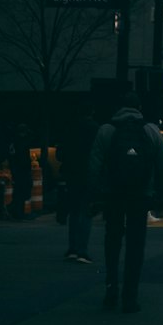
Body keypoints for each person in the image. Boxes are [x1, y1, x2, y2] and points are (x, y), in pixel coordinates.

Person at [89, 92, 163, 312]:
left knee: (112, 241)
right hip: (140, 195)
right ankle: (130, 296)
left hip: (113, 193)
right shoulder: (150, 130)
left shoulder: (106, 130)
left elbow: (95, 165)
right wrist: (161, 195)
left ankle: (111, 288)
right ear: (139, 107)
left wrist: (95, 194)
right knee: (136, 245)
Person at [58, 110, 99, 262]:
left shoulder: (70, 128)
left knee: (74, 212)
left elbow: (60, 153)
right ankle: (82, 250)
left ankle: (72, 248)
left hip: (72, 173)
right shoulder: (94, 128)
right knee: (86, 212)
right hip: (88, 173)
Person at [6, 124, 33, 220]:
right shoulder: (20, 142)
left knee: (19, 192)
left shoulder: (14, 142)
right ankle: (16, 212)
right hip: (21, 169)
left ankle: (17, 212)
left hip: (18, 169)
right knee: (21, 192)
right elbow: (21, 157)